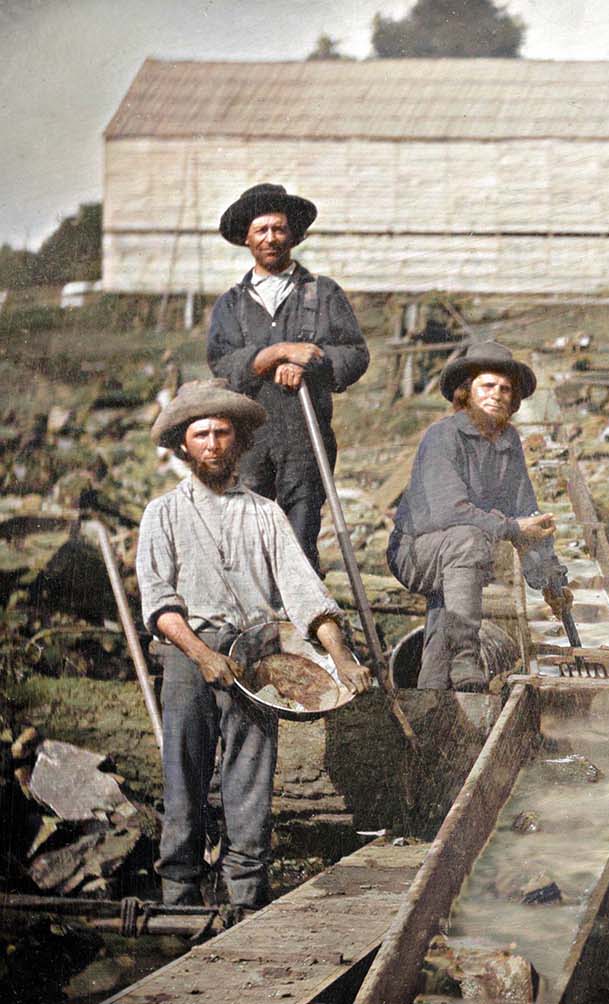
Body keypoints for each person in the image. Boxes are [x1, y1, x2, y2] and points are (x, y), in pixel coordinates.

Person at [137, 379, 372, 909]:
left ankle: (247, 899)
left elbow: (305, 594)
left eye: (223, 433)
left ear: (240, 443)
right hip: (188, 654)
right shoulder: (163, 514)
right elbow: (158, 601)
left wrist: (342, 658)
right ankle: (179, 895)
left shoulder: (265, 514)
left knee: (251, 783)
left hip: (257, 660)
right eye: (201, 435)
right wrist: (201, 655)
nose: (213, 444)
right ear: (183, 447)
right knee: (184, 776)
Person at [387, 341, 572, 690]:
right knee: (468, 539)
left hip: (458, 553)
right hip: (414, 551)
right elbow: (450, 512)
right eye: (487, 386)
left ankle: (432, 702)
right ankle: (466, 661)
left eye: (505, 389)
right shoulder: (443, 436)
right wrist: (512, 527)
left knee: (446, 613)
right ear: (466, 393)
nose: (497, 395)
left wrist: (551, 579)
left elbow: (526, 514)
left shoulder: (508, 442)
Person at [207, 183, 370, 571]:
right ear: (246, 238)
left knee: (299, 541)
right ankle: (256, 625)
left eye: (279, 229)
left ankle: (304, 624)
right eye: (261, 230)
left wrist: (310, 362)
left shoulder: (322, 293)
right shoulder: (232, 303)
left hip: (305, 435)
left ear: (293, 235)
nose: (271, 238)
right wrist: (275, 354)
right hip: (248, 439)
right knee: (248, 538)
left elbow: (355, 354)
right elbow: (221, 363)